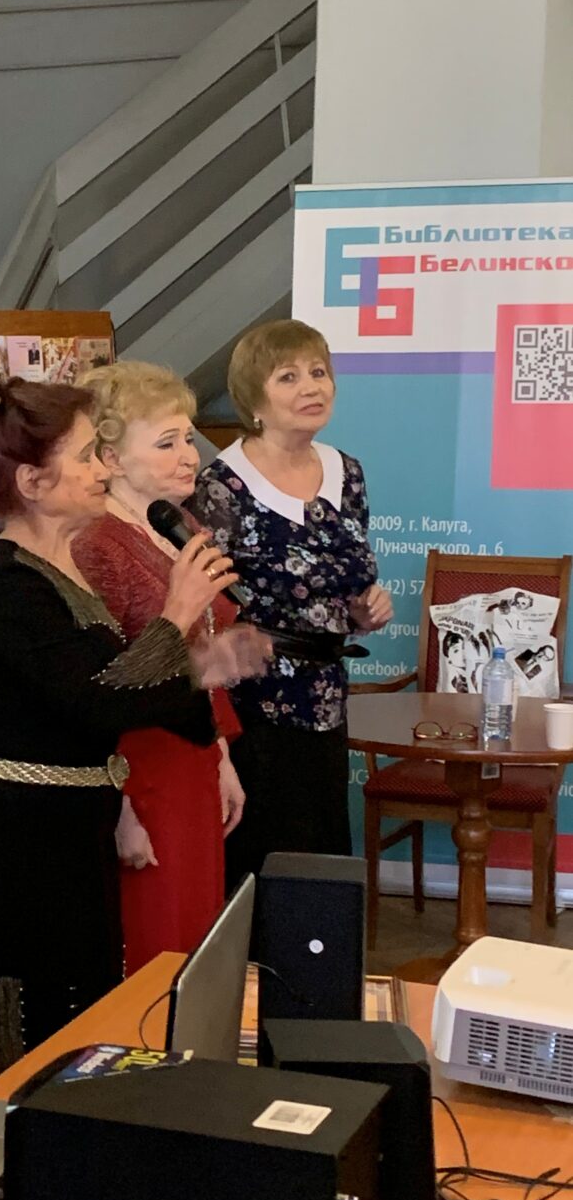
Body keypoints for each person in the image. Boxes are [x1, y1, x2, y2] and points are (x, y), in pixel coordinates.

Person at [0, 370, 268, 1107]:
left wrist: (204, 666)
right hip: (20, 836)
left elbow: (114, 688)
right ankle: (9, 1146)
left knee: (81, 1004)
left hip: (70, 823)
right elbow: (97, 704)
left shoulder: (58, 568)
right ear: (32, 481)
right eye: (87, 456)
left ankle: (73, 1140)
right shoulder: (6, 585)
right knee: (27, 1015)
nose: (101, 468)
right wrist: (179, 615)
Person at [192, 320, 393, 888]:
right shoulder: (222, 485)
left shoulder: (347, 472)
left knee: (320, 856)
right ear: (254, 399)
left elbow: (345, 583)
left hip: (326, 692)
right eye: (288, 377)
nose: (311, 387)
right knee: (265, 853)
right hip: (255, 698)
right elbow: (205, 602)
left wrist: (364, 611)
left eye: (318, 372)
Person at [71, 362, 244, 969]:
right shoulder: (94, 544)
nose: (189, 456)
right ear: (111, 458)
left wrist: (221, 756)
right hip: (140, 765)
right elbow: (97, 687)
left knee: (196, 936)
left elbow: (202, 647)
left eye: (189, 439)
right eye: (167, 443)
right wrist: (119, 809)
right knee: (154, 938)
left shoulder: (178, 524)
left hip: (192, 755)